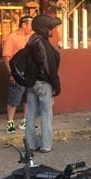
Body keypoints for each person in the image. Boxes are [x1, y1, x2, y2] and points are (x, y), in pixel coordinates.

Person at [25, 14, 62, 153]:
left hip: (31, 83)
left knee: (31, 114)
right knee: (46, 115)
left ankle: (31, 145)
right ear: (44, 29)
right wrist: (56, 84)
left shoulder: (31, 41)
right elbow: (48, 67)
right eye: (51, 28)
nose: (53, 31)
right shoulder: (41, 43)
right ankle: (46, 145)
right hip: (43, 83)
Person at [2, 15, 33, 133]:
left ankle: (25, 121)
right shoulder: (12, 37)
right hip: (17, 72)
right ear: (24, 24)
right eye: (31, 24)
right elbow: (6, 56)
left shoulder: (32, 37)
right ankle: (10, 122)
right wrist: (11, 73)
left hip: (30, 72)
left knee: (28, 98)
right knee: (14, 97)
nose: (32, 27)